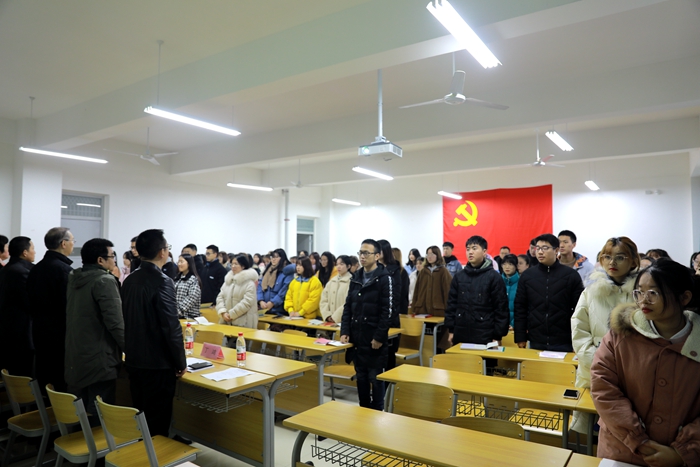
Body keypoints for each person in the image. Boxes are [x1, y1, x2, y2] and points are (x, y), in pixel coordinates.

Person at [590, 258, 700, 467]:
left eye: (654, 293)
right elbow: (603, 389)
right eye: (639, 292)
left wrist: (682, 453)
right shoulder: (621, 335)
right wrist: (637, 440)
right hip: (622, 451)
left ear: (684, 297)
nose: (643, 300)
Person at [570, 236, 640, 433]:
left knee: (627, 430)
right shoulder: (591, 292)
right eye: (607, 257)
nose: (612, 262)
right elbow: (579, 330)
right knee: (591, 431)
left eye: (620, 257)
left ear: (633, 261)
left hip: (634, 371)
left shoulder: (642, 292)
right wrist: (598, 360)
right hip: (594, 368)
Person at [122, 229, 186, 437]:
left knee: (142, 415)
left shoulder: (130, 280)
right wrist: (180, 361)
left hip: (134, 358)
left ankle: (144, 451)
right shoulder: (162, 281)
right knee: (158, 422)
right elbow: (170, 326)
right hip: (157, 363)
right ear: (162, 252)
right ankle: (155, 453)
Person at [65, 238, 124, 424]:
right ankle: (97, 443)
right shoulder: (104, 280)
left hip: (77, 354)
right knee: (100, 414)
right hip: (100, 359)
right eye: (112, 256)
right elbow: (115, 323)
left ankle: (83, 441)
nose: (114, 260)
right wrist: (130, 349)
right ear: (100, 260)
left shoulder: (74, 277)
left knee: (81, 411)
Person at [340, 239, 393, 410]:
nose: (362, 256)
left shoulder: (384, 278)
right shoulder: (356, 277)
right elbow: (348, 306)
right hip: (357, 338)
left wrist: (379, 337)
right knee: (361, 378)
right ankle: (363, 412)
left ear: (377, 256)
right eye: (360, 253)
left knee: (375, 379)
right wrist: (345, 331)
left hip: (374, 340)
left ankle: (377, 413)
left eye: (366, 253)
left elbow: (387, 312)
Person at [514, 233, 584, 351]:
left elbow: (580, 309)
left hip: (564, 340)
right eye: (538, 248)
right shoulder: (527, 276)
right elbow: (520, 307)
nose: (540, 252)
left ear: (556, 250)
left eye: (545, 248)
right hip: (536, 339)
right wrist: (520, 336)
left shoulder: (571, 275)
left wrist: (578, 338)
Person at [26, 227, 74, 392]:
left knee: (45, 377)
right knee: (60, 380)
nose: (73, 244)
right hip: (60, 333)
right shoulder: (64, 270)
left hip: (39, 330)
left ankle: (45, 407)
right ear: (63, 243)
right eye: (72, 241)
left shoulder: (36, 268)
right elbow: (69, 305)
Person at [445, 236, 509, 349]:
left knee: (484, 361)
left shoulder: (494, 277)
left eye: (474, 248)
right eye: (468, 249)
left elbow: (501, 309)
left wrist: (497, 336)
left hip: (485, 335)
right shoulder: (459, 277)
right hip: (461, 333)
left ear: (484, 252)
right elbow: (452, 305)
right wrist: (451, 330)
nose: (470, 252)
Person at [0, 236, 35, 377]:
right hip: (20, 331)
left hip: (8, 328)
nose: (34, 252)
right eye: (32, 248)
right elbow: (29, 302)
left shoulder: (6, 269)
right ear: (24, 252)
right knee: (22, 372)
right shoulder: (21, 272)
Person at [411, 245, 453, 351]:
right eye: (428, 254)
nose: (429, 256)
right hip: (422, 311)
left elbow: (448, 293)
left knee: (439, 342)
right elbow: (416, 292)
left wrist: (449, 311)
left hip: (438, 312)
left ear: (437, 255)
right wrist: (414, 308)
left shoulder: (443, 271)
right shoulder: (423, 272)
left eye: (432, 254)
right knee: (425, 343)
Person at [379, 240, 408, 370]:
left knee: (388, 355)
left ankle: (387, 382)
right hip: (375, 319)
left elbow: (396, 296)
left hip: (390, 318)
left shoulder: (396, 270)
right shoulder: (373, 269)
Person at [215, 254, 259, 331]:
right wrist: (223, 312)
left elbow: (247, 302)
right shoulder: (228, 281)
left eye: (236, 264)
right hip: (226, 320)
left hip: (244, 322)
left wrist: (231, 314)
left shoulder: (249, 283)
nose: (233, 266)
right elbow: (220, 297)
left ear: (243, 266)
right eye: (232, 264)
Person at [257, 248, 296, 315]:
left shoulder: (287, 272)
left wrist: (273, 302)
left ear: (282, 258)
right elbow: (260, 285)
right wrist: (260, 301)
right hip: (264, 308)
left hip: (279, 310)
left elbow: (284, 290)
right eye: (272, 257)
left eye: (276, 257)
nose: (273, 259)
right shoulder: (268, 269)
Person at [320, 255, 352, 324]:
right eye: (337, 264)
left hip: (344, 321)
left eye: (341, 264)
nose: (338, 266)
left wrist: (335, 317)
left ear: (348, 266)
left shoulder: (351, 282)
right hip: (329, 321)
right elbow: (323, 300)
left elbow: (348, 303)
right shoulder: (331, 282)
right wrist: (327, 315)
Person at [174, 254, 202, 319]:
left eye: (181, 262)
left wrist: (176, 311)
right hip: (177, 315)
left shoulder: (193, 280)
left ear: (189, 263)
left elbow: (191, 298)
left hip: (189, 317)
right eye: (178, 262)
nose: (179, 264)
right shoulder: (177, 278)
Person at [500, 253, 519, 328]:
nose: (507, 267)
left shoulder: (521, 283)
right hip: (500, 325)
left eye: (510, 264)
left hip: (516, 325)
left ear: (516, 266)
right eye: (504, 264)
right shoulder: (497, 282)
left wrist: (513, 323)